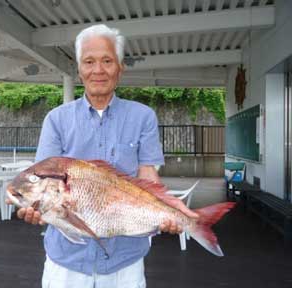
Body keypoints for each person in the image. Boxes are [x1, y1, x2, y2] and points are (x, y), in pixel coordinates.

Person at [13, 24, 198, 288]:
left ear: (120, 67)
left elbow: (148, 175)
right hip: (66, 263)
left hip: (125, 262)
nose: (98, 70)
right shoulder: (56, 120)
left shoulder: (143, 117)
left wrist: (172, 211)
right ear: (79, 69)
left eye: (107, 61)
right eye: (89, 61)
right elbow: (43, 181)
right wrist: (36, 209)